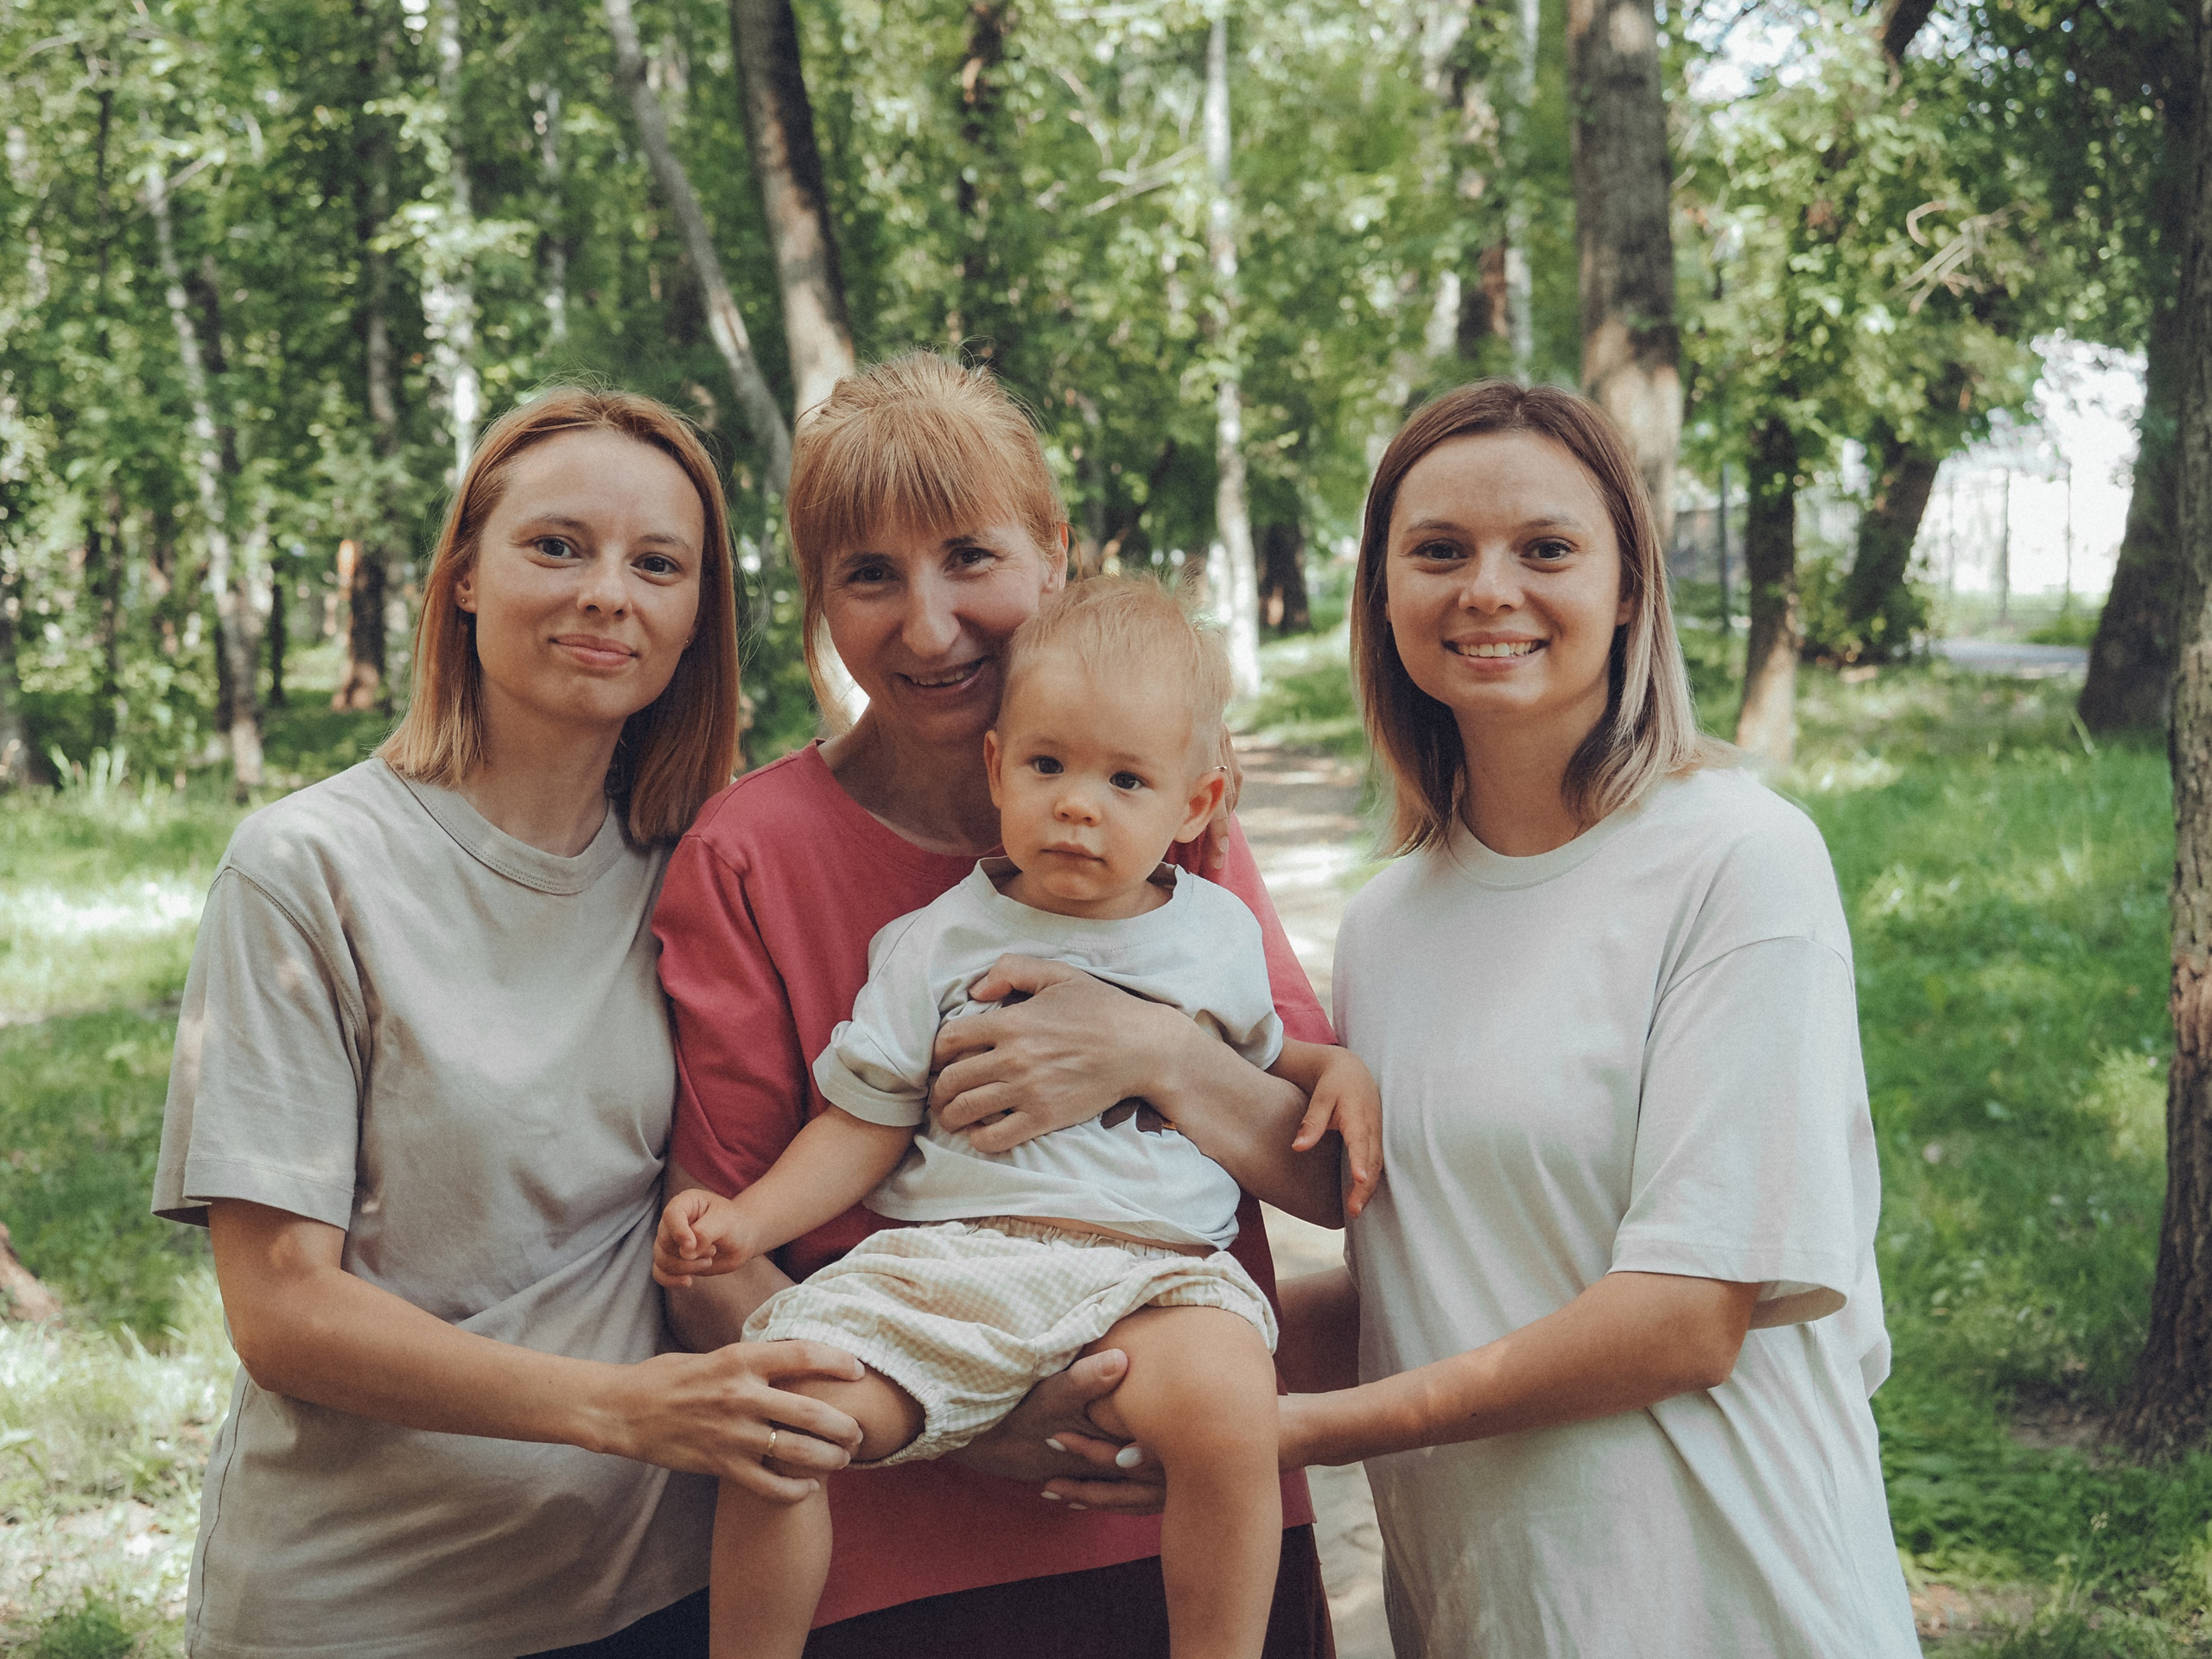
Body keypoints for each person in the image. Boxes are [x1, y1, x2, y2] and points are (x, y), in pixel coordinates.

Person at [150, 389, 871, 1659]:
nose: (609, 593)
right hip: (368, 1603)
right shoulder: (307, 867)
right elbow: (281, 1312)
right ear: (464, 576)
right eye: (557, 546)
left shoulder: (699, 866)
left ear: (698, 618)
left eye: (659, 564)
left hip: (662, 1591)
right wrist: (620, 1411)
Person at [653, 353, 1346, 1658]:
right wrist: (983, 1426)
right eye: (870, 575)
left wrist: (1148, 1051)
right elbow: (721, 1257)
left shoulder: (1171, 824)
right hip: (906, 1546)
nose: (927, 627)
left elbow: (1320, 1170)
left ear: (1053, 548)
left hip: (1188, 1507)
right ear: (818, 597)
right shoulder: (754, 854)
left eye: (971, 557)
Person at [1269, 379, 1921, 1657]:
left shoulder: (1739, 860)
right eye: (1439, 551)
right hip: (1486, 1613)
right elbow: (1434, 1277)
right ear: (1384, 593)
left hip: (1734, 1602)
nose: (1488, 591)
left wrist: (1293, 1433)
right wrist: (1149, 1347)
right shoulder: (1389, 924)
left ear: (1630, 588)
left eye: (1547, 549)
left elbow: (1686, 1316)